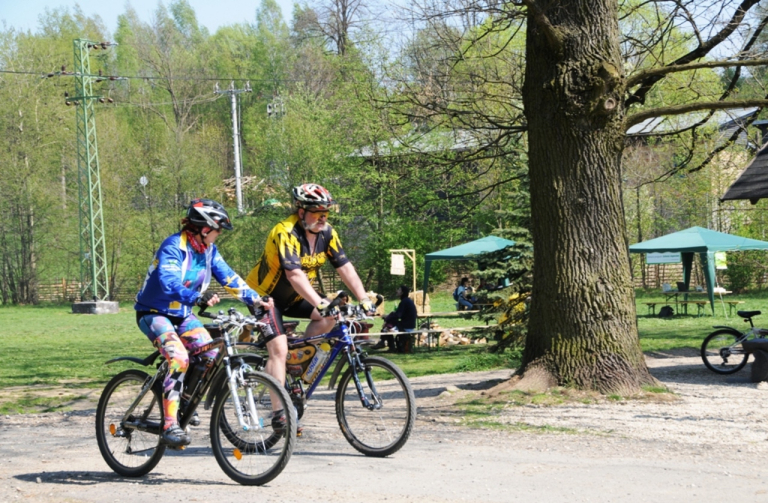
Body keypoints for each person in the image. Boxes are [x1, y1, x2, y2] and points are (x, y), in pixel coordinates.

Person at [134, 198, 274, 448]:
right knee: (179, 358)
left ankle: (184, 402)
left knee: (211, 353)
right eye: (218, 230)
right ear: (204, 227)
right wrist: (197, 296)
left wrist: (255, 300)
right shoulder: (173, 246)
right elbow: (168, 282)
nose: (219, 235)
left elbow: (229, 277)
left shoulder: (208, 250)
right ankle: (170, 424)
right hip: (153, 312)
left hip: (183, 314)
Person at [245, 183, 374, 413]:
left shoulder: (328, 233)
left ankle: (297, 367)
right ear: (301, 211)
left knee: (331, 318)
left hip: (296, 296)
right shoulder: (285, 231)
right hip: (265, 297)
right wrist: (320, 302)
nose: (322, 217)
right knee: (278, 350)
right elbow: (294, 275)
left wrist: (364, 298)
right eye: (317, 212)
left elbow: (344, 267)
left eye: (326, 212)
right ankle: (280, 415)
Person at [373, 285, 417, 352]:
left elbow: (398, 315)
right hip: (409, 324)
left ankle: (388, 346)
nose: (397, 291)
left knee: (387, 328)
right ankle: (384, 343)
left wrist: (387, 318)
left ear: (402, 292)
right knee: (389, 324)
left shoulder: (404, 302)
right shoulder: (407, 301)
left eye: (399, 290)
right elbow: (399, 314)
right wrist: (389, 317)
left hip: (407, 326)